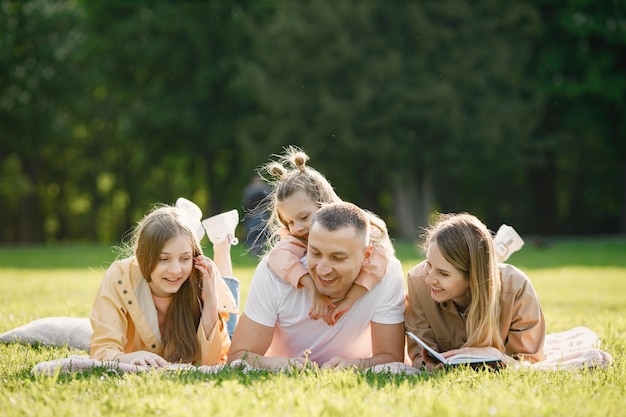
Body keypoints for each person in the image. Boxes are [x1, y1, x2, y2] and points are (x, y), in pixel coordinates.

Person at [227, 202, 406, 371]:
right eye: (315, 253)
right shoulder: (273, 273)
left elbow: (391, 357)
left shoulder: (387, 273)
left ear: (367, 255)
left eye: (337, 257)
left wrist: (355, 364)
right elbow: (237, 357)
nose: (323, 269)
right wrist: (280, 364)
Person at [89, 203, 239, 368]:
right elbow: (102, 351)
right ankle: (187, 224)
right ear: (142, 257)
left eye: (185, 258)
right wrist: (131, 357)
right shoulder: (119, 277)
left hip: (217, 306)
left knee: (231, 331)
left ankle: (222, 242)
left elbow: (213, 363)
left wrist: (210, 302)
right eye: (164, 259)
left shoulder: (201, 274)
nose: (175, 270)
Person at [262, 147, 390, 325]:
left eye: (304, 217)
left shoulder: (356, 227)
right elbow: (277, 257)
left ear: (325, 204)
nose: (297, 228)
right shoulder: (297, 239)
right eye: (289, 222)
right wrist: (313, 288)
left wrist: (349, 299)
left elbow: (380, 255)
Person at [404, 213, 546, 371]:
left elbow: (528, 362)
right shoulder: (418, 282)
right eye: (428, 264)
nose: (429, 279)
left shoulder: (516, 290)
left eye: (443, 273)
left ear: (472, 277)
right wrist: (431, 365)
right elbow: (419, 356)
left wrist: (496, 356)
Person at [241, 174, 271, 257]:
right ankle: (260, 253)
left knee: (252, 235)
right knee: (262, 235)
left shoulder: (249, 190)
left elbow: (246, 203)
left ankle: (254, 253)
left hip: (254, 215)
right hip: (262, 215)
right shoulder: (265, 189)